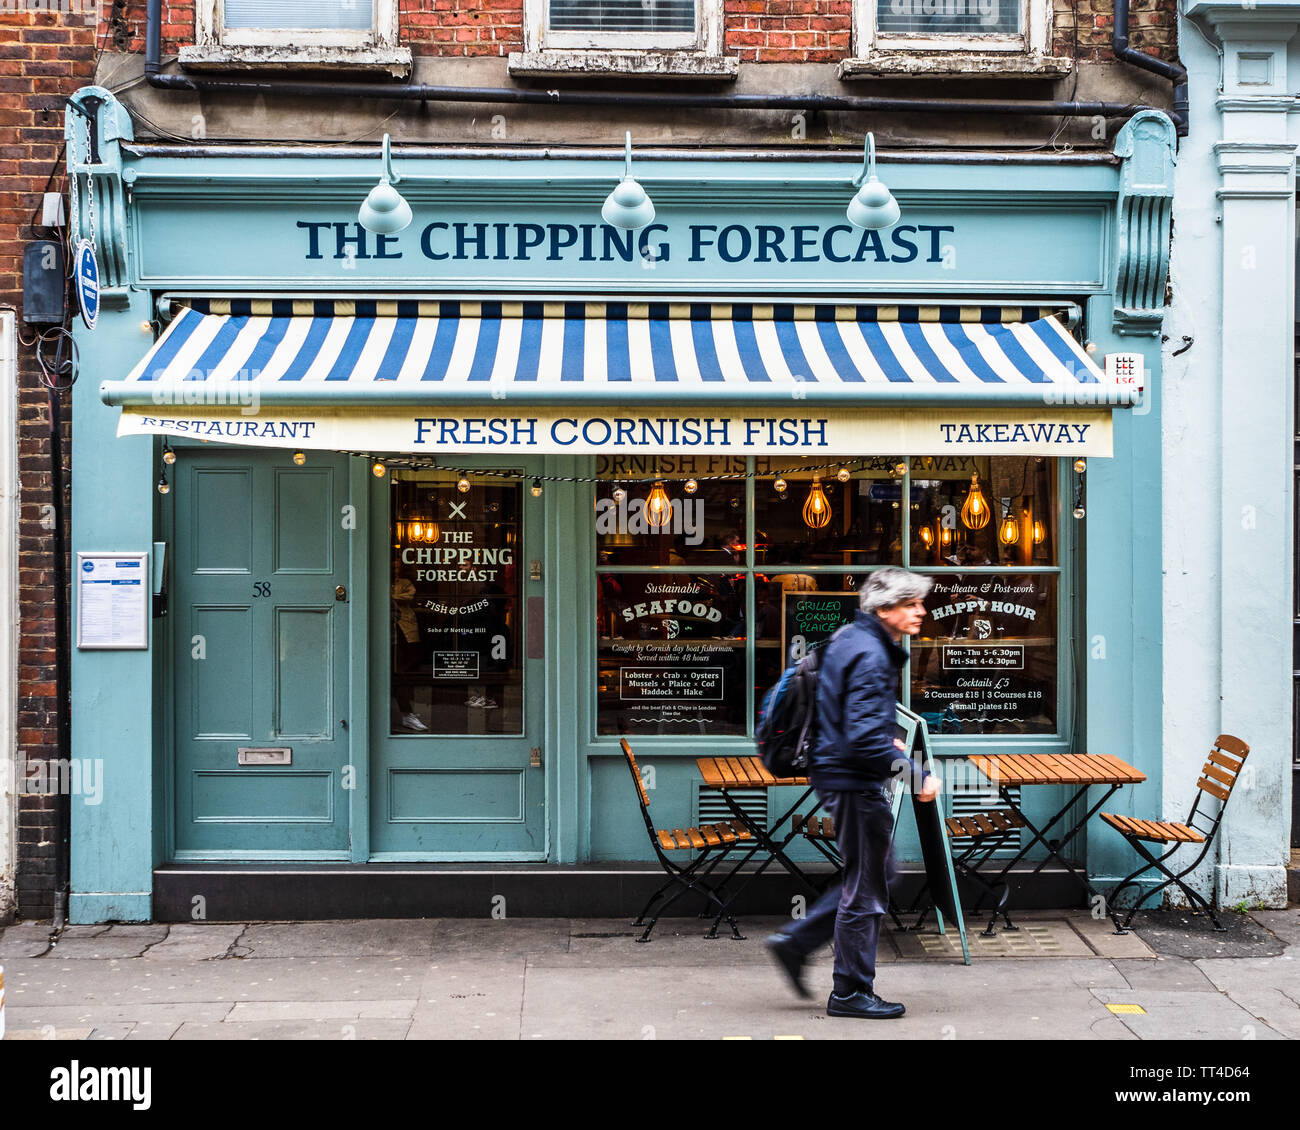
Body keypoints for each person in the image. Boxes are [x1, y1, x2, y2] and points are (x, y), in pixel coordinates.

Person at [765, 567, 941, 1019]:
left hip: (837, 773)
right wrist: (917, 776)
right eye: (911, 603)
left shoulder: (848, 638)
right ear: (885, 608)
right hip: (852, 780)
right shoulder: (871, 653)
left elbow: (846, 716)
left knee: (876, 874)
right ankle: (849, 991)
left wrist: (887, 737)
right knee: (867, 889)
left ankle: (797, 942)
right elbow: (862, 738)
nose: (921, 611)